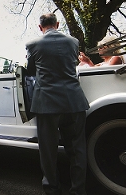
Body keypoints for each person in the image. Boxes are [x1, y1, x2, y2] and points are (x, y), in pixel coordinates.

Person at [26, 13, 89, 195]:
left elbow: (30, 71)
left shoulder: (33, 44)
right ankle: (78, 190)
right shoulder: (73, 41)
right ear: (58, 24)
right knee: (77, 148)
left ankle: (52, 189)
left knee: (48, 150)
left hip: (47, 102)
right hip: (74, 101)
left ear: (40, 27)